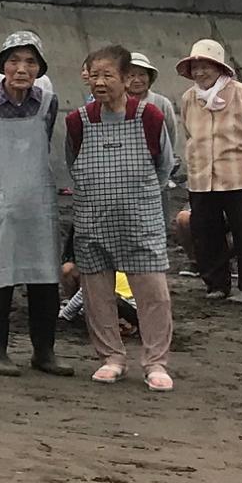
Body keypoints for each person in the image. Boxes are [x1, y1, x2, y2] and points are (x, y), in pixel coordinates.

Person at [66, 46, 176, 390]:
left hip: (140, 219)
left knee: (153, 293)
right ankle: (111, 357)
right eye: (94, 74)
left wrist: (137, 196)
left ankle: (155, 362)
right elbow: (73, 165)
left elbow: (165, 167)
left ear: (127, 79)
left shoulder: (150, 117)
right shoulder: (77, 121)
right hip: (92, 220)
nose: (100, 82)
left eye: (108, 75)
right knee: (97, 294)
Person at [0, 32, 71, 376]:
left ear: (40, 68)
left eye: (30, 62)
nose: (21, 69)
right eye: (14, 61)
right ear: (2, 67)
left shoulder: (47, 103)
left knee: (44, 282)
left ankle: (44, 352)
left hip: (37, 204)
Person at [175, 38, 242, 304]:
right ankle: (216, 283)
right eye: (194, 67)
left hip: (241, 176)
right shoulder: (189, 99)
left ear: (220, 67)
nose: (199, 73)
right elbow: (188, 132)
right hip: (201, 178)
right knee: (206, 233)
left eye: (205, 66)